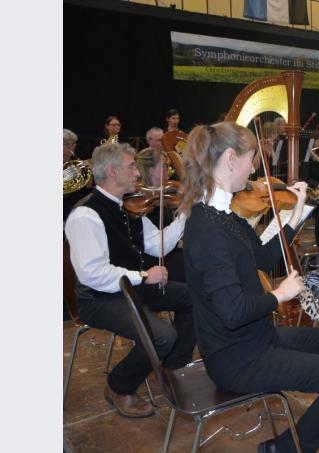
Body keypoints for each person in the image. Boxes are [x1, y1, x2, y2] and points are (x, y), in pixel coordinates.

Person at [178, 122, 319, 453]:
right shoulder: (209, 229)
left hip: (255, 339)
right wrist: (279, 295)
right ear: (230, 159)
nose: (254, 167)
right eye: (252, 158)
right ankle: (284, 448)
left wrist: (295, 216)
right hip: (238, 358)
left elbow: (265, 258)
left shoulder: (225, 216)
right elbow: (232, 312)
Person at [64, 142, 194, 418]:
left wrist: (184, 213)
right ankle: (118, 386)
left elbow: (157, 245)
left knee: (194, 299)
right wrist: (145, 275)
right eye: (132, 166)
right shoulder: (85, 215)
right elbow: (93, 274)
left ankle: (171, 367)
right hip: (98, 298)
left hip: (131, 288)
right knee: (162, 336)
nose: (138, 173)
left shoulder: (130, 205)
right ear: (112, 171)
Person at [134, 147, 186, 282]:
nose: (168, 169)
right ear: (150, 170)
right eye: (163, 166)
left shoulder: (164, 193)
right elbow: (156, 240)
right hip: (156, 263)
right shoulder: (140, 202)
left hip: (170, 250)